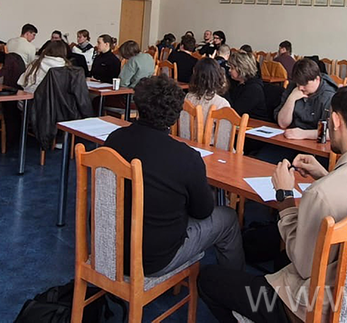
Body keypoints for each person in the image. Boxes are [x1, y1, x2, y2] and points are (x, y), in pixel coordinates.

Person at [199, 83, 347, 322]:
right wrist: (325, 175)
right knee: (275, 259)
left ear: (336, 120)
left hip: (313, 308)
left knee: (208, 278)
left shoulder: (321, 194)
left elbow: (302, 265)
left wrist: (284, 195)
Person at [104, 76, 244, 276]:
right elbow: (203, 212)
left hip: (109, 246)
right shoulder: (187, 157)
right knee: (228, 218)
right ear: (176, 115)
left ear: (139, 104)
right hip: (154, 260)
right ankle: (233, 284)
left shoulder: (114, 139)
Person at [274, 58, 338, 139]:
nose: (300, 88)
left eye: (304, 84)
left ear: (317, 79)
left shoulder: (329, 96)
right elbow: (283, 124)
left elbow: (334, 133)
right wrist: (291, 99)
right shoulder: (294, 87)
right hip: (290, 137)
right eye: (298, 84)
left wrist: (304, 134)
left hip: (314, 141)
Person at [225, 51, 267, 120]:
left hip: (254, 122)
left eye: (232, 68)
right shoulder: (236, 82)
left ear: (241, 69)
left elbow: (235, 112)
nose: (229, 70)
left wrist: (224, 90)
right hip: (241, 120)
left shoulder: (254, 89)